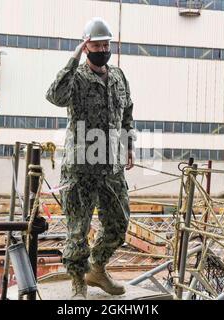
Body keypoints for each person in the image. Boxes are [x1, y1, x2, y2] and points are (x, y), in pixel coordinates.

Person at [46, 17, 135, 300]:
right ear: (86, 47)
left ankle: (96, 269)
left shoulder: (119, 76)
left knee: (119, 225)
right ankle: (78, 283)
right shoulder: (77, 78)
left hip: (111, 167)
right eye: (96, 45)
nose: (102, 49)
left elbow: (127, 113)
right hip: (80, 167)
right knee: (77, 231)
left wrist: (128, 146)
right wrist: (73, 58)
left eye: (105, 44)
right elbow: (54, 96)